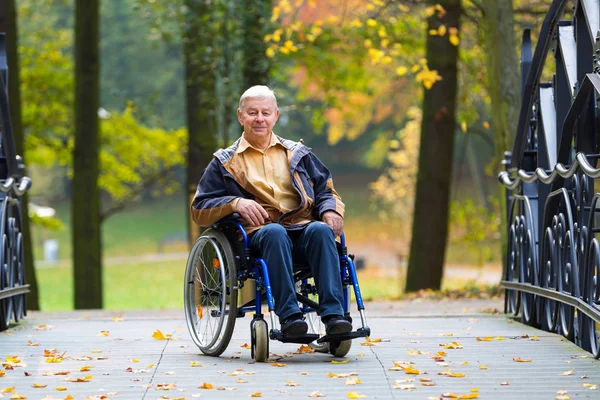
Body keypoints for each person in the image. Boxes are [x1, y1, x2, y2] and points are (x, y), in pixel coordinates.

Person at [190, 85, 352, 337]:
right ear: (240, 116)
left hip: (302, 229)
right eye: (252, 112)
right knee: (275, 232)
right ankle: (290, 317)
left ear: (275, 116)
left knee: (321, 230)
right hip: (258, 236)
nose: (259, 119)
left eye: (265, 112)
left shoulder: (297, 153)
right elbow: (199, 208)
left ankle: (334, 316)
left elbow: (326, 190)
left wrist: (332, 211)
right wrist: (235, 203)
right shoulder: (224, 162)